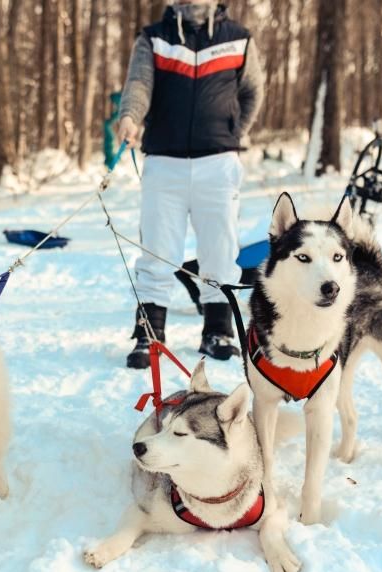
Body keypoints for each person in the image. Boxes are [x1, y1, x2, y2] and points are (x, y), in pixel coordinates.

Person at [117, 0, 264, 369]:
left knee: (220, 249)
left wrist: (231, 133)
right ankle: (150, 335)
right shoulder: (154, 39)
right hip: (163, 163)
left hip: (218, 163)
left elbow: (252, 94)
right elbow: (138, 85)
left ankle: (218, 331)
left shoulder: (238, 39)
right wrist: (131, 117)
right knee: (157, 249)